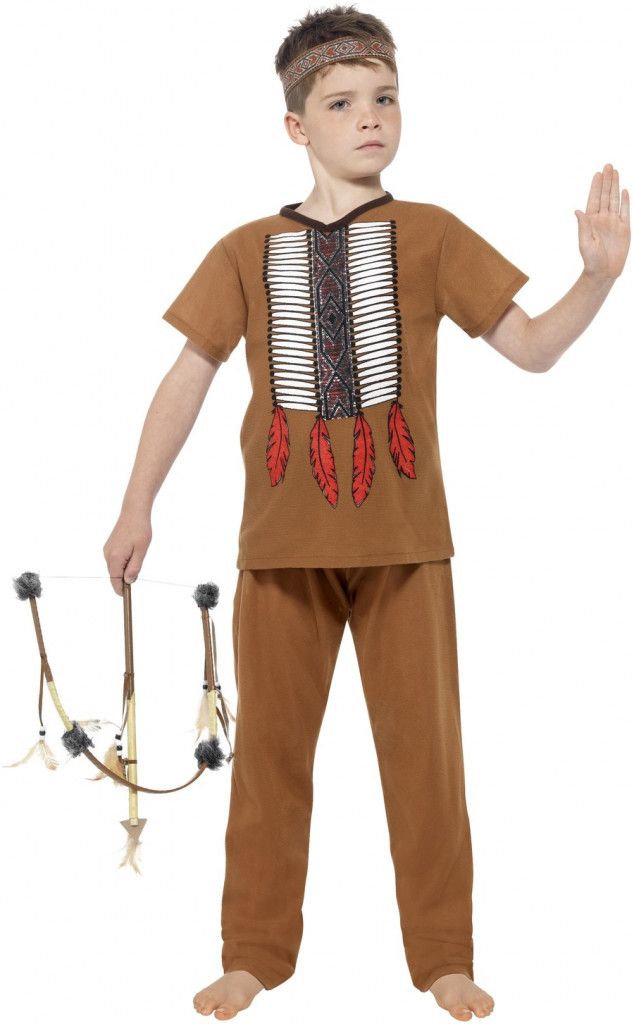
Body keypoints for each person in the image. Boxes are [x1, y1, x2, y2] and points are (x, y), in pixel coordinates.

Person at [102, 6, 630, 1022]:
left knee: (427, 760)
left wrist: (597, 281)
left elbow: (530, 349)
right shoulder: (244, 249)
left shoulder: (430, 234)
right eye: (342, 103)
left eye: (385, 97)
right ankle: (253, 953)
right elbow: (187, 377)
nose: (371, 117)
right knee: (268, 764)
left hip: (406, 545)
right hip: (280, 548)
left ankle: (444, 957)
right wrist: (136, 505)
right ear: (296, 125)